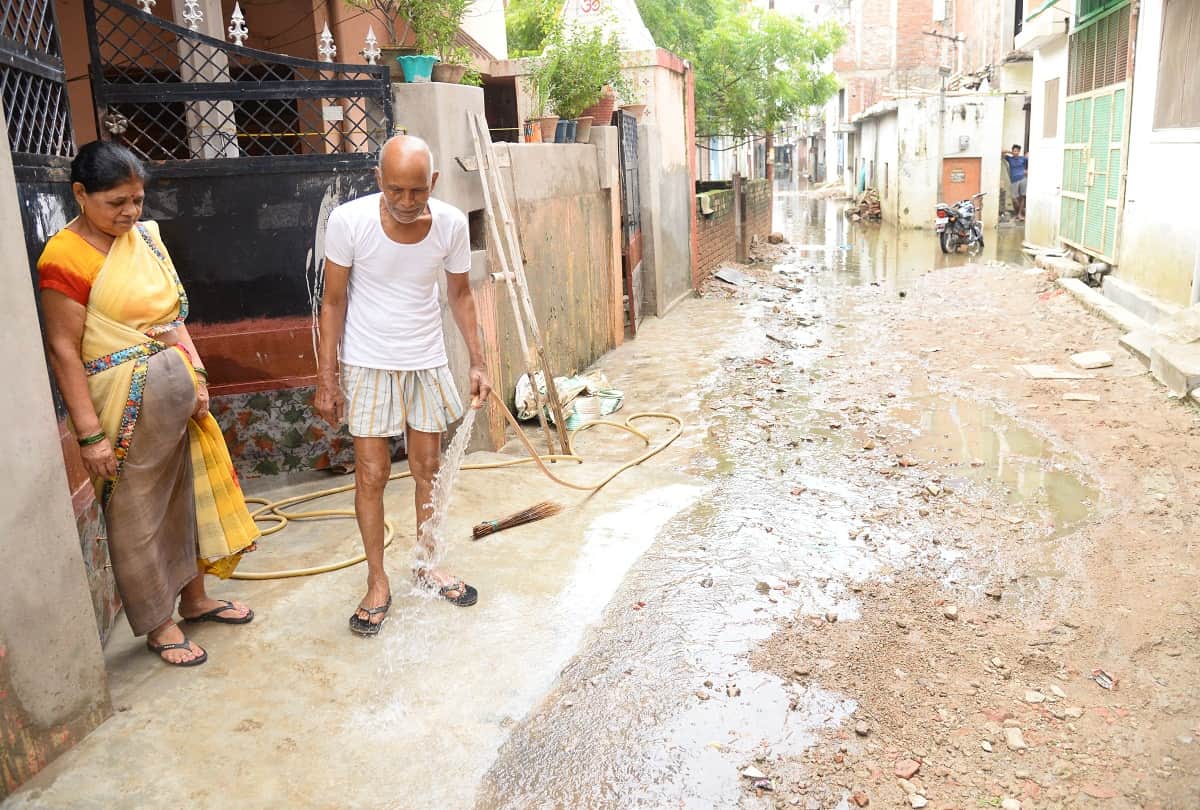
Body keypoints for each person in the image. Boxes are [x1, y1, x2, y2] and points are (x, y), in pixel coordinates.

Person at [38, 141, 259, 667]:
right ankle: (160, 623)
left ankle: (195, 599)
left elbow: (172, 318)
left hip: (178, 401)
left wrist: (197, 377)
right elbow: (62, 347)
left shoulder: (147, 240)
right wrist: (89, 436)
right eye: (116, 202)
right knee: (138, 512)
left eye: (136, 200)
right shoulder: (63, 256)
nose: (130, 213)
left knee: (187, 495)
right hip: (117, 407)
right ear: (80, 194)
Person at [315, 135, 492, 636]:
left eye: (418, 191)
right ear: (379, 181)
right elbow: (332, 302)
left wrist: (478, 361)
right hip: (368, 362)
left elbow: (460, 295)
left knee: (428, 469)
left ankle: (426, 562)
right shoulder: (349, 222)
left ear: (432, 183)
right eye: (397, 190)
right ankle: (377, 580)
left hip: (426, 360)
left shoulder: (452, 225)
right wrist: (328, 377)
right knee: (370, 474)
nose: (408, 202)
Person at [1002, 144, 1028, 222]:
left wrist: (1027, 170)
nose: (1016, 152)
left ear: (1019, 151)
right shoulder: (1010, 158)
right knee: (1014, 198)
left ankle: (1019, 214)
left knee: (1022, 197)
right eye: (1014, 151)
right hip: (1013, 180)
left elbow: (1030, 164)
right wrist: (1010, 152)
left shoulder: (1023, 159)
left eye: (1017, 151)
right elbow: (1001, 152)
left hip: (1023, 179)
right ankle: (1020, 213)